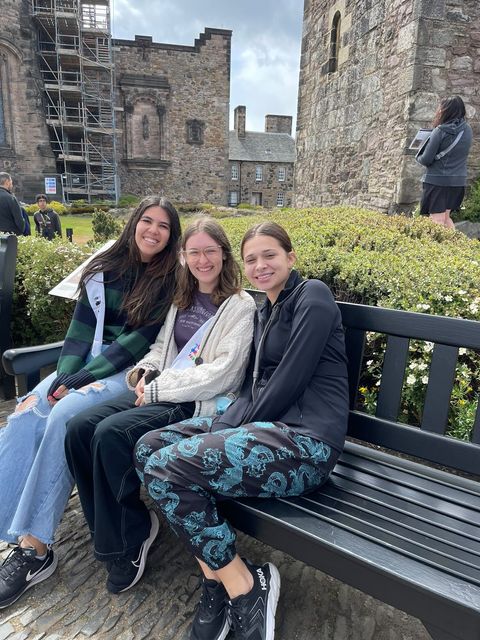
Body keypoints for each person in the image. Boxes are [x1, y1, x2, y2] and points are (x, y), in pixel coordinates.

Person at [134, 221, 350, 640]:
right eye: (251, 258)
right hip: (265, 430)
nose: (260, 265)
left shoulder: (313, 297)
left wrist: (221, 430)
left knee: (166, 467)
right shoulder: (266, 309)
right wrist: (221, 425)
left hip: (305, 445)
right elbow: (254, 389)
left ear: (291, 257)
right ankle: (219, 574)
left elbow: (289, 380)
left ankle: (245, 587)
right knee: (148, 447)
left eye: (270, 255)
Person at [0, 195, 181, 609]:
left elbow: (137, 343)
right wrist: (64, 375)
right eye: (147, 221)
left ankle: (35, 549)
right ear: (134, 222)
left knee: (64, 416)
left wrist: (83, 380)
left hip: (124, 372)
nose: (153, 231)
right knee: (28, 413)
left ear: (172, 237)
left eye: (164, 226)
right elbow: (79, 331)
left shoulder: (168, 278)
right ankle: (8, 525)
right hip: (84, 366)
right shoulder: (104, 268)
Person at [64, 217, 256, 595]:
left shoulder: (239, 305)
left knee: (110, 434)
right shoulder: (181, 299)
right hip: (160, 391)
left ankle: (127, 540)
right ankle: (117, 523)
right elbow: (161, 349)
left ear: (224, 255)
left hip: (196, 405)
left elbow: (225, 375)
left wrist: (158, 388)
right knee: (78, 429)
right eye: (194, 252)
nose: (203, 260)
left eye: (210, 252)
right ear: (183, 256)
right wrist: (143, 372)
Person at [416, 95, 473, 228]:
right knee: (446, 218)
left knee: (436, 220)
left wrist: (418, 155)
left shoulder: (440, 131)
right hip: (458, 182)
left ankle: (435, 249)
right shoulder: (468, 130)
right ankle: (455, 248)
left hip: (437, 182)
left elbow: (427, 159)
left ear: (445, 110)